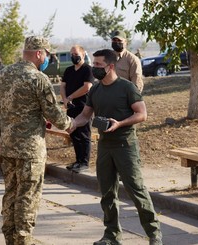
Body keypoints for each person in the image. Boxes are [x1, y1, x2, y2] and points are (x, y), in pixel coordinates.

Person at [69, 49, 162, 245]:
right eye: (93, 64)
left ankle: (154, 234)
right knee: (107, 193)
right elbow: (85, 115)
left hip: (125, 145)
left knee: (136, 190)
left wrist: (120, 123)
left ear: (111, 66)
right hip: (105, 146)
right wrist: (72, 124)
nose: (94, 68)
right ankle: (111, 235)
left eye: (98, 65)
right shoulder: (95, 89)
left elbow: (142, 114)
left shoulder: (126, 87)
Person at [0, 36, 73, 245]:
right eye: (45, 54)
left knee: (11, 193)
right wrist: (69, 123)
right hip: (30, 150)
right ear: (38, 53)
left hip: (8, 147)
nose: (46, 58)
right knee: (28, 197)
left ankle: (10, 239)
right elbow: (54, 114)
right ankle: (23, 240)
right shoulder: (38, 78)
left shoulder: (3, 74)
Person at [60, 45, 94, 173]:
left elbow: (87, 87)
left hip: (84, 106)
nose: (73, 56)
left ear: (83, 54)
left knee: (84, 134)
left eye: (76, 54)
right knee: (74, 133)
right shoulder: (68, 70)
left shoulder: (88, 70)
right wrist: (65, 100)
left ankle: (84, 162)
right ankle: (78, 160)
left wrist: (70, 97)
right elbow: (63, 85)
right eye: (71, 54)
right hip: (71, 107)